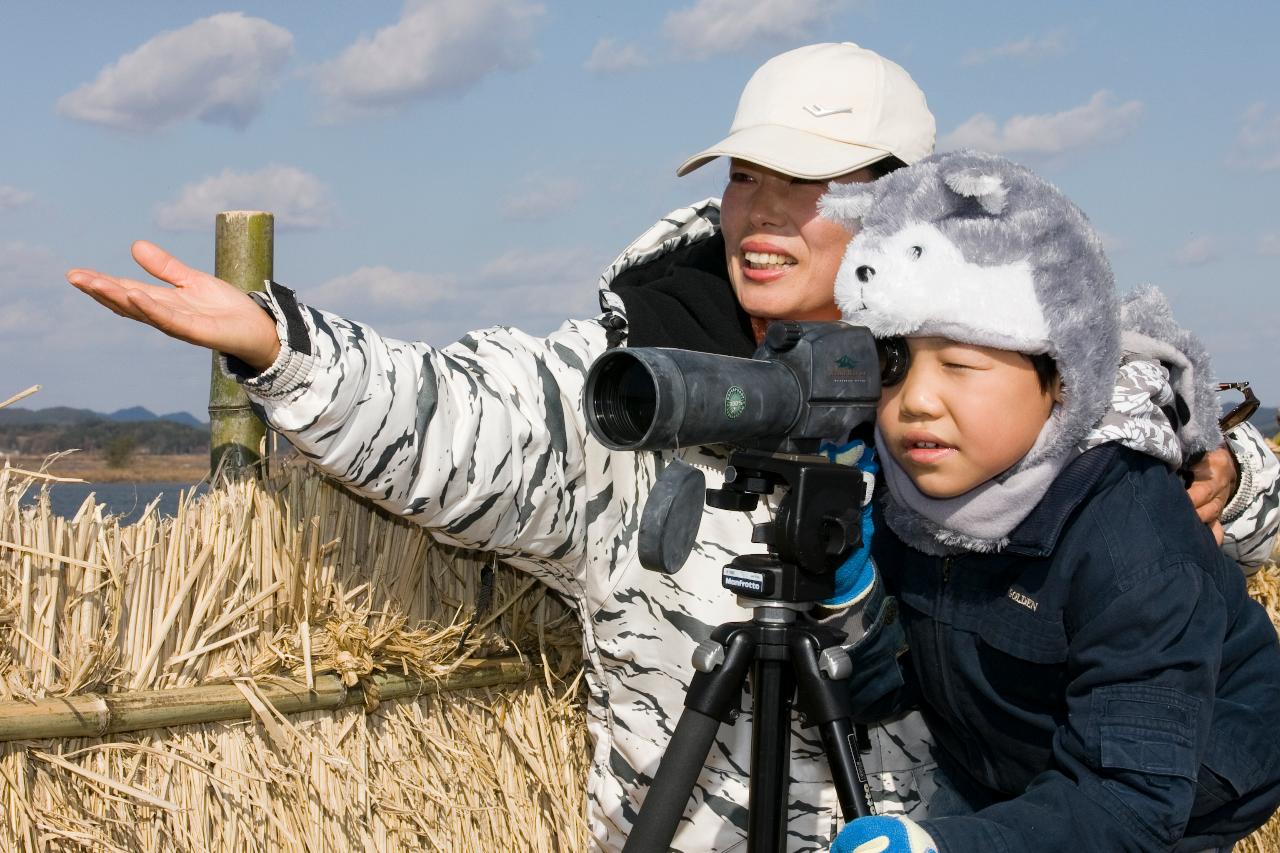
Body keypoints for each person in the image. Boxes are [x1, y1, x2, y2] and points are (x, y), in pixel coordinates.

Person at [66, 44, 1279, 852]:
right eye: (746, 178)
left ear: (902, 207)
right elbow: (460, 418)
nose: (762, 211)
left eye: (808, 186)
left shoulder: (992, 382)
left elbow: (1176, 498)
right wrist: (285, 347)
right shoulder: (643, 378)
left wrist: (1211, 465)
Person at [824, 151, 1280, 853]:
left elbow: (1132, 802)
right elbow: (894, 687)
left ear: (1063, 377)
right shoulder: (907, 487)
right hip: (1017, 767)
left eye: (961, 364)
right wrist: (845, 592)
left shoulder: (1129, 533)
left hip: (1181, 779)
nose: (916, 399)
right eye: (893, 362)